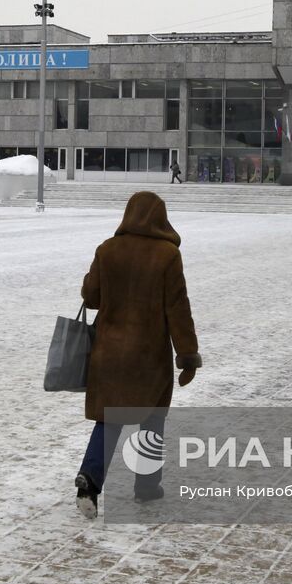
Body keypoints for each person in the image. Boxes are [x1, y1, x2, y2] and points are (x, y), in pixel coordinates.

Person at [75, 192, 200, 518]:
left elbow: (91, 297)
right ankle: (146, 486)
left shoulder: (108, 249)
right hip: (148, 355)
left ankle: (89, 478)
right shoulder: (167, 255)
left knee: (110, 417)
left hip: (109, 351)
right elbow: (178, 309)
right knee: (152, 418)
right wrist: (187, 354)